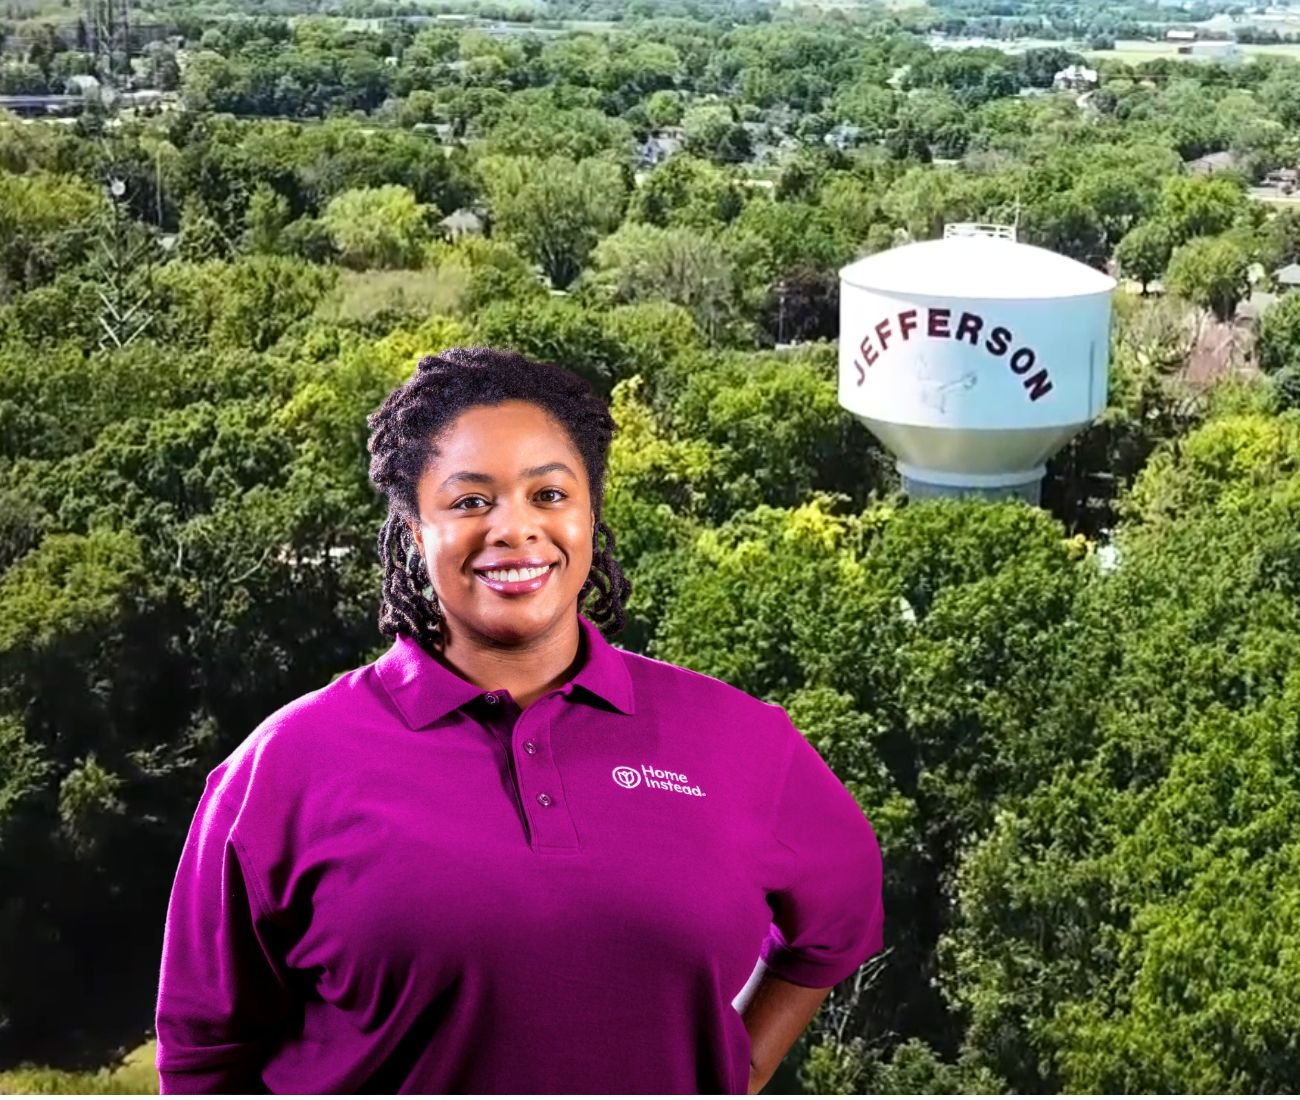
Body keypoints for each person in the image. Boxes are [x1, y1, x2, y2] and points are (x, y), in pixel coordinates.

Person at [153, 346, 885, 1094]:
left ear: (590, 513)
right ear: (413, 532)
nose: (514, 529)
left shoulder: (737, 739)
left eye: (548, 495)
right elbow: (206, 1051)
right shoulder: (281, 769)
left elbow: (840, 915)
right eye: (471, 501)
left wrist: (736, 1069)